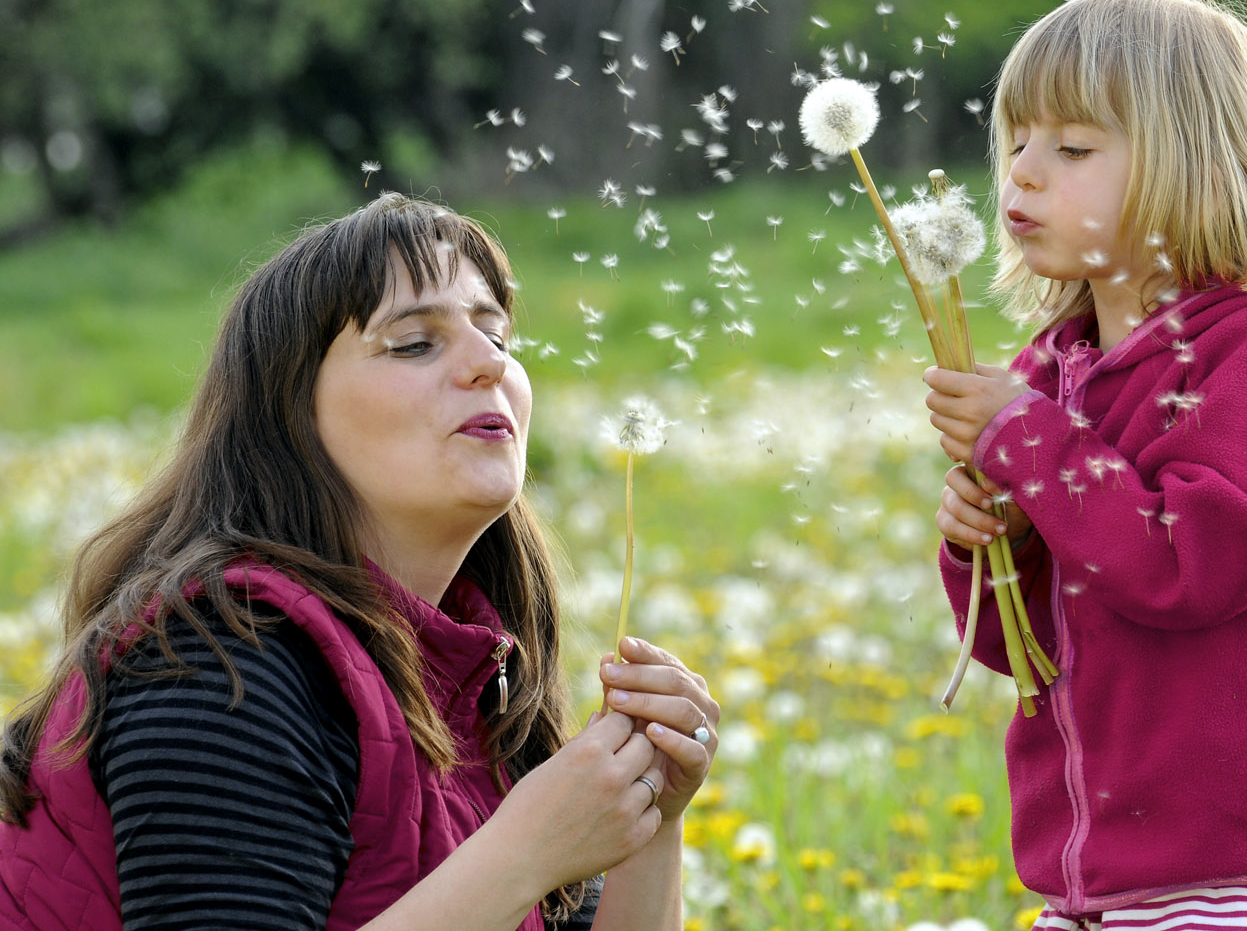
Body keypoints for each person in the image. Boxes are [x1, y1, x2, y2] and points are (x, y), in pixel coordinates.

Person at [0, 193, 719, 931]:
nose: (487, 364)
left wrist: (651, 823)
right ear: (292, 415)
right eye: (415, 343)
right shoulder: (217, 662)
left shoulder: (477, 687)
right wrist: (522, 854)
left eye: (497, 335)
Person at [922, 0, 1247, 929]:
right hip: (1089, 885)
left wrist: (1034, 449)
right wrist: (988, 543)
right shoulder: (1049, 373)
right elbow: (1026, 650)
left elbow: (1188, 567)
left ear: (1196, 165)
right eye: (1015, 142)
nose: (1024, 174)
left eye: (1075, 148)